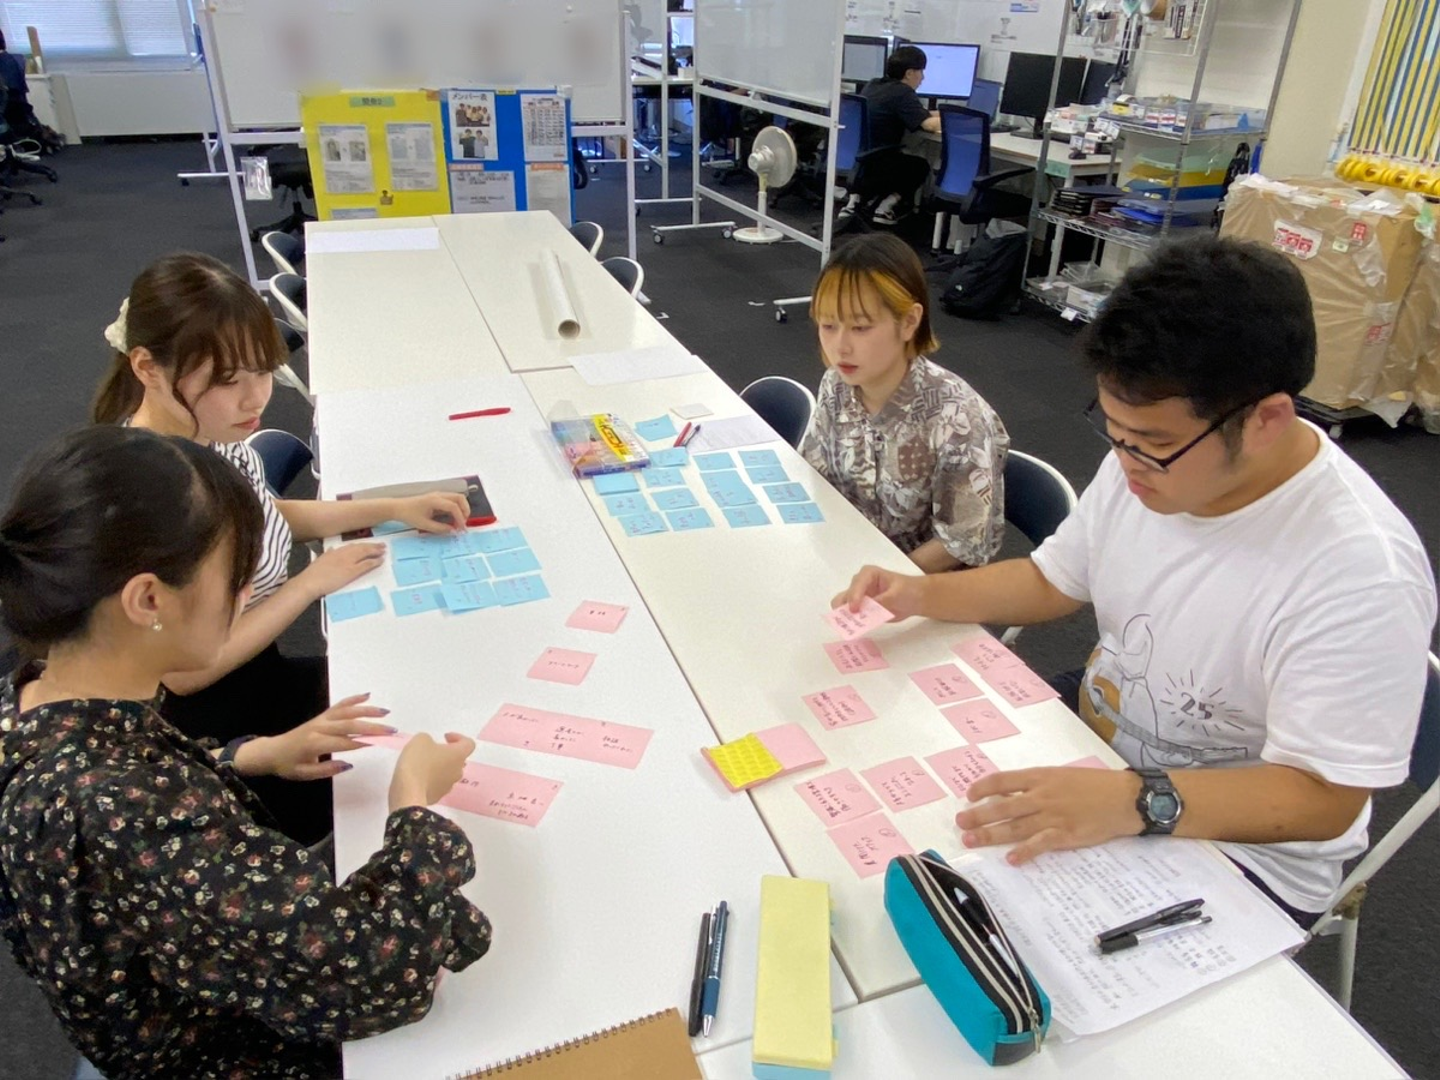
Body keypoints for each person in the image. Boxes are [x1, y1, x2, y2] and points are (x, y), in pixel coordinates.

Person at [835, 236, 1436, 926]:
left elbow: (1325, 799)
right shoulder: (1151, 464)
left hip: (1241, 846)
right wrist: (920, 593)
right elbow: (1051, 580)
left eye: (1150, 444)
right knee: (901, 806)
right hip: (1106, 737)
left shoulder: (1362, 575)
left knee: (1013, 941)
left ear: (1267, 420)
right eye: (1114, 433)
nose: (1125, 464)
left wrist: (1132, 800)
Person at [0, 426, 492, 1079]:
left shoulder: (40, 692)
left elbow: (128, 802)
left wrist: (249, 756)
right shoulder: (125, 807)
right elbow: (371, 972)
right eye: (236, 575)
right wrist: (414, 806)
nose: (246, 592)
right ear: (148, 599)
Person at [92, 252, 470, 843]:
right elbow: (184, 673)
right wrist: (308, 584)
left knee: (426, 693)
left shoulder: (209, 435)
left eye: (263, 371)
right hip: (220, 735)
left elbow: (267, 516)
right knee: (401, 784)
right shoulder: (147, 491)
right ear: (147, 367)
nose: (256, 400)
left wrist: (393, 508)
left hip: (262, 677)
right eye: (228, 382)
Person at [801, 234, 1008, 573]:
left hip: (919, 580)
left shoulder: (956, 417)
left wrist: (884, 582)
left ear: (909, 322)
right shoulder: (837, 385)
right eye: (828, 326)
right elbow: (814, 471)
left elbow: (962, 542)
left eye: (860, 327)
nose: (840, 347)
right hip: (846, 553)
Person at [846, 44, 941, 227]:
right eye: (921, 72)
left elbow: (917, 113)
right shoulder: (903, 92)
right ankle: (885, 206)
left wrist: (944, 114)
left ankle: (857, 201)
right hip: (879, 165)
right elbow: (928, 124)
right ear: (909, 73)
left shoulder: (874, 84)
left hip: (860, 161)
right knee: (919, 166)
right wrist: (957, 121)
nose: (923, 78)